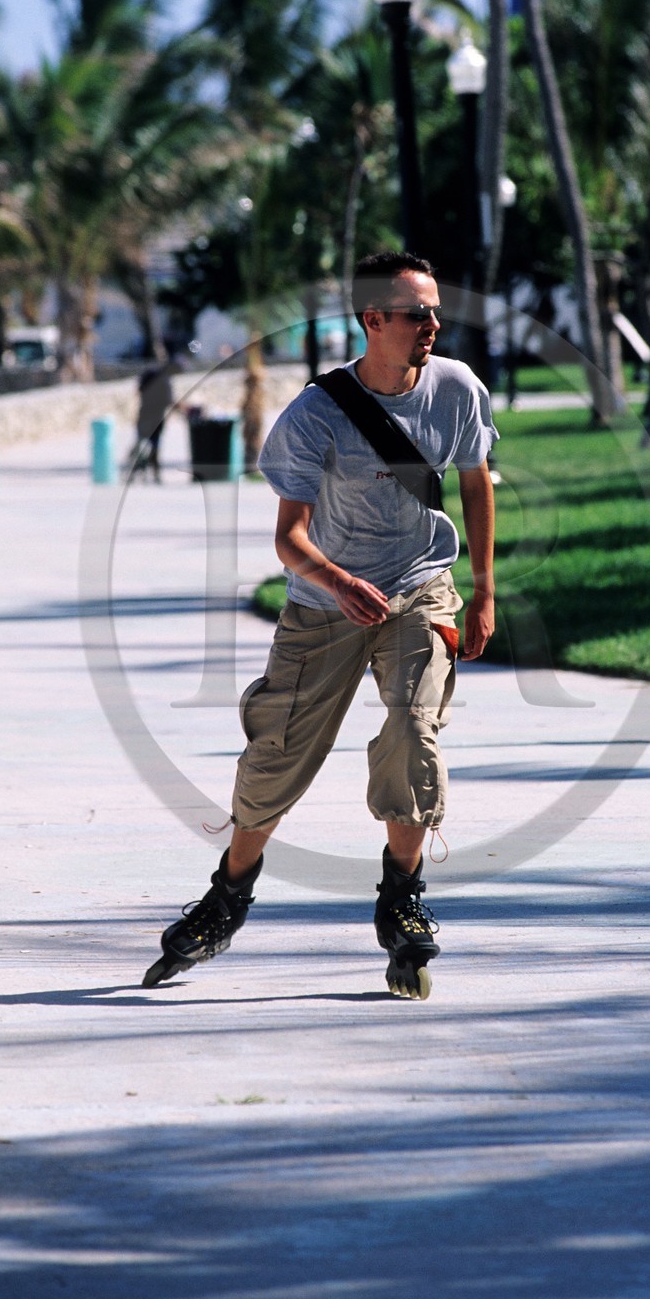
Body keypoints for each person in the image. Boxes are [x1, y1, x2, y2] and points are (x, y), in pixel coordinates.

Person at [143, 251, 497, 999]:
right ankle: (228, 896)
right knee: (279, 752)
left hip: (421, 588)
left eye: (435, 312)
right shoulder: (315, 413)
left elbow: (473, 482)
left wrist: (485, 589)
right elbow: (288, 540)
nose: (432, 325)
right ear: (372, 321)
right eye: (415, 314)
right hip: (322, 601)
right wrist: (339, 583)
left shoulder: (456, 388)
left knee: (412, 727)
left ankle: (401, 899)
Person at [129, 356, 175, 481]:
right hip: (156, 419)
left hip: (144, 415)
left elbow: (139, 392)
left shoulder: (149, 377)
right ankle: (155, 474)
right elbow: (169, 401)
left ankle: (135, 473)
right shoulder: (165, 381)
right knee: (154, 446)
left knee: (141, 444)